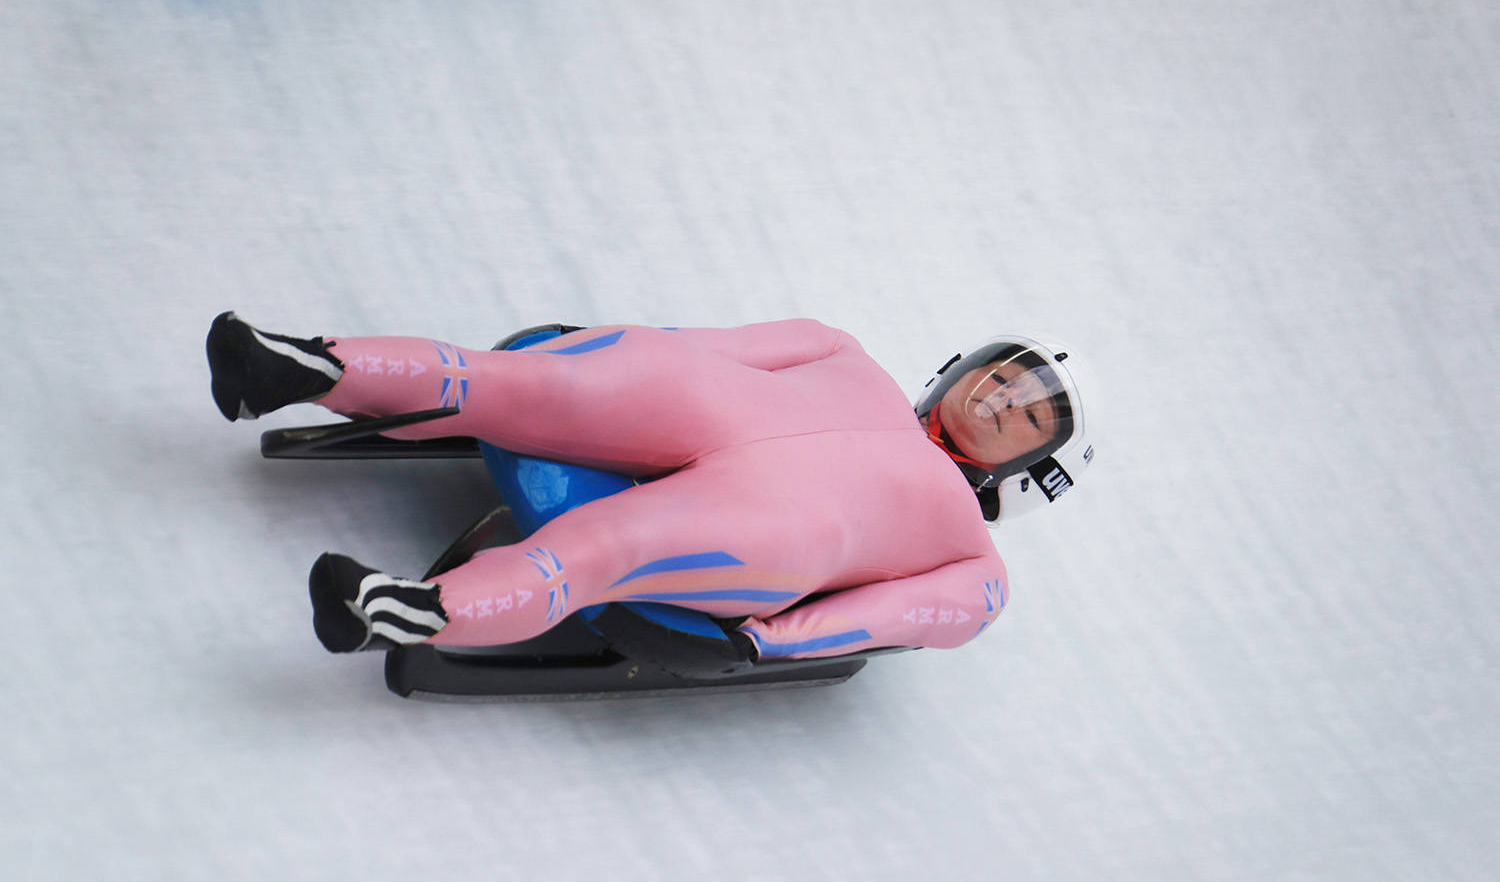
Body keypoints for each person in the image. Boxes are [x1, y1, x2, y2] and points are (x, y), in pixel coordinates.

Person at [206, 312, 1093, 661]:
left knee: (608, 547)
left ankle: (414, 609)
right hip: (707, 403)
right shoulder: (841, 348)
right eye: (1004, 377)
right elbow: (707, 345)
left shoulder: (976, 563)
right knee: (523, 384)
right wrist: (608, 350)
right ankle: (296, 369)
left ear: (1031, 471)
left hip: (774, 527)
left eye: (1024, 416)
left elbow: (900, 617)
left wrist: (772, 642)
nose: (1001, 397)